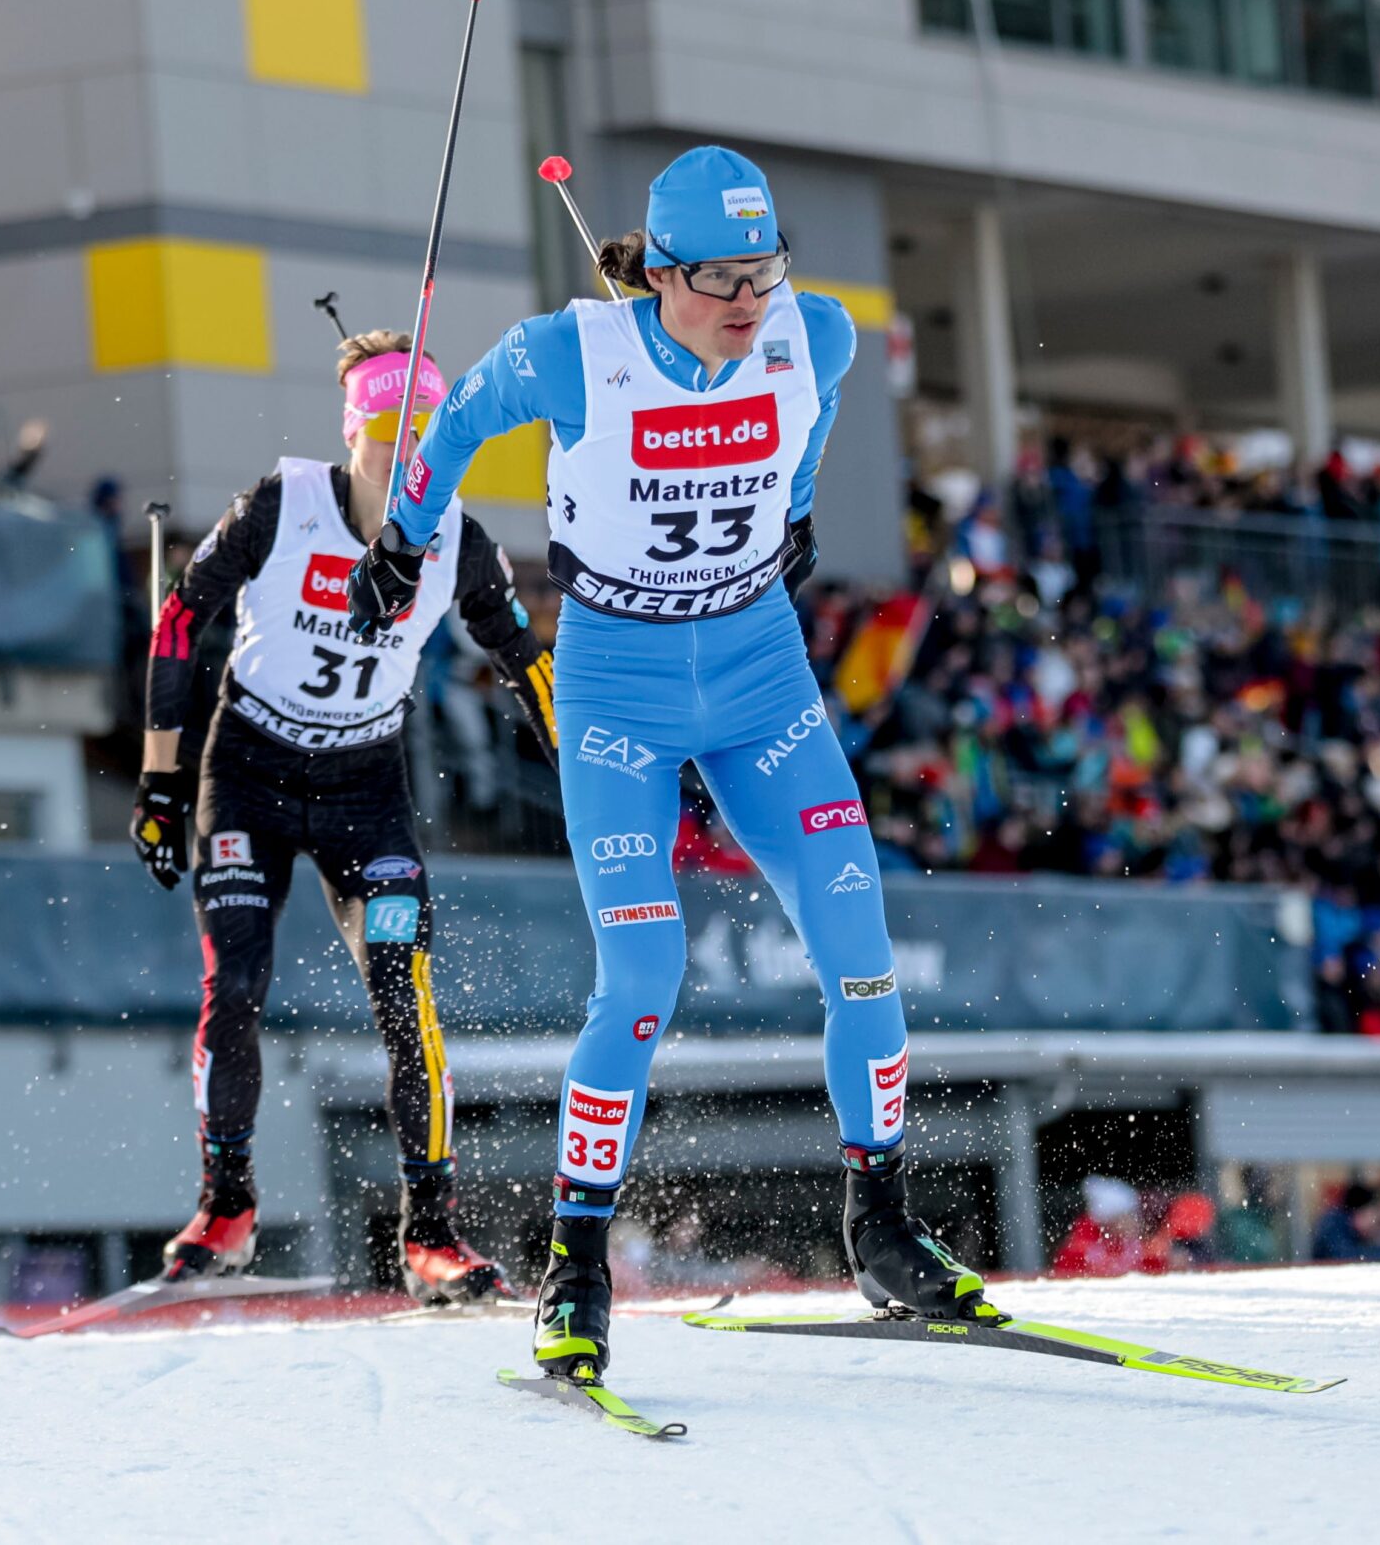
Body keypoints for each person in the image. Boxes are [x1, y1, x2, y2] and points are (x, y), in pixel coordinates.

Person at [346, 145, 995, 1381]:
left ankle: (884, 1230)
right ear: (659, 272)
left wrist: (793, 512)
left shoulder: (822, 334)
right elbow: (455, 423)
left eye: (767, 273)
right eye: (723, 282)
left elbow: (809, 425)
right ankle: (575, 1265)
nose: (752, 304)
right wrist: (403, 538)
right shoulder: (569, 355)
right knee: (640, 973)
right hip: (618, 689)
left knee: (862, 959)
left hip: (759, 677)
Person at [130, 329, 559, 1303]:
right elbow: (179, 618)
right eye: (384, 433)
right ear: (351, 429)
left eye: (426, 440)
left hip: (365, 794)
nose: (405, 459)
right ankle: (227, 1205)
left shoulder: (458, 538)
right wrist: (159, 783)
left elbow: (523, 660)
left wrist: (589, 765)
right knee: (235, 983)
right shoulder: (281, 507)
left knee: (406, 1001)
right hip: (247, 772)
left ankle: (432, 1233)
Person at [1050, 1176, 1146, 1278]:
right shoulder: (1079, 1249)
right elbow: (1065, 1280)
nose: (1136, 1221)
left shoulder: (1136, 1245)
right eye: (1128, 1216)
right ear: (1110, 1220)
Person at [1312, 1180, 1380, 1263]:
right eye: (1376, 1221)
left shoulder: (1346, 1228)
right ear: (1361, 1212)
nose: (1375, 1227)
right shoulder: (1334, 1227)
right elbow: (1347, 1259)